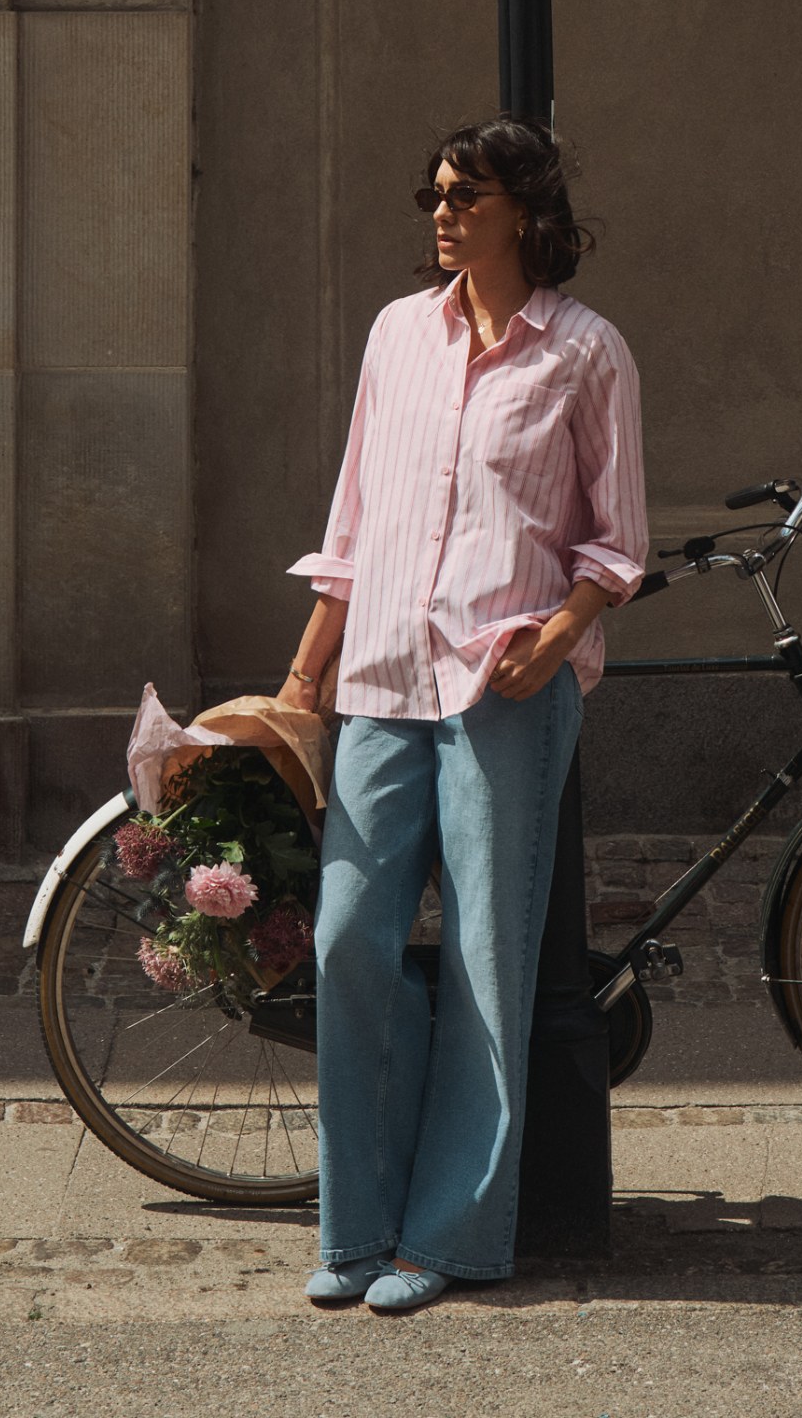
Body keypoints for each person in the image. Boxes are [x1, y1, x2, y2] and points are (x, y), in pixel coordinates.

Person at [277, 113, 649, 1316]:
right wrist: (299, 678)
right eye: (434, 193)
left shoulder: (585, 353)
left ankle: (449, 1236)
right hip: (381, 675)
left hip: (505, 688)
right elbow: (352, 526)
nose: (439, 213)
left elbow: (616, 540)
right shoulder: (397, 335)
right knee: (346, 937)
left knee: (492, 962)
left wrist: (558, 633)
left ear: (523, 213)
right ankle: (356, 1221)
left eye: (463, 196)